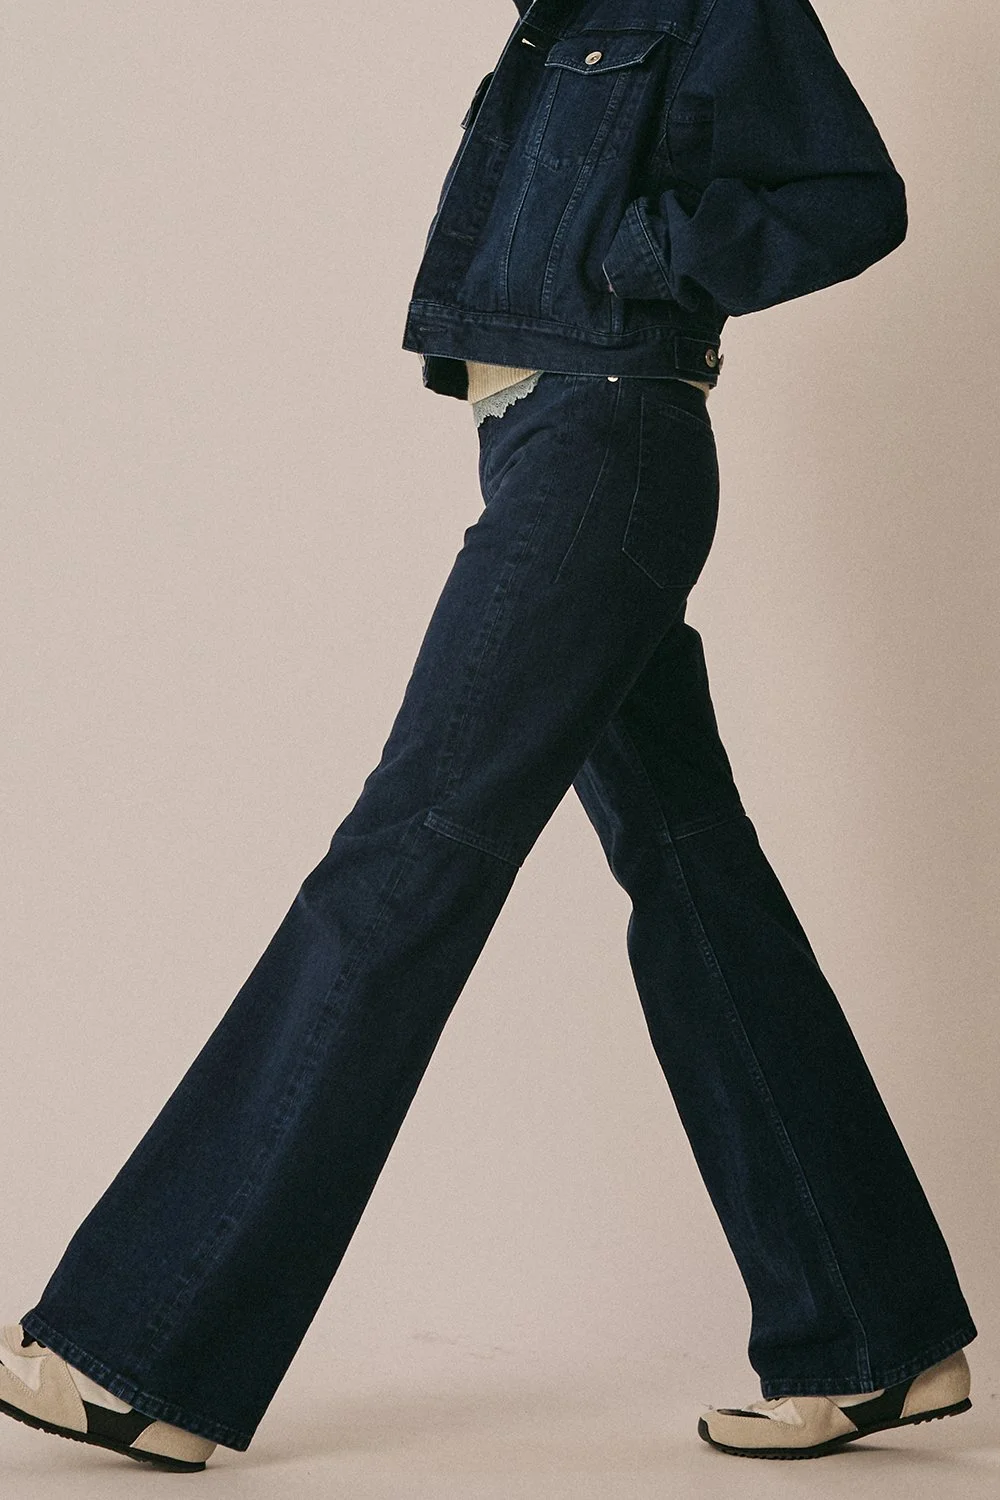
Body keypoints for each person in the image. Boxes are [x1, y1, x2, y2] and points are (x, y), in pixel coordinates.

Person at [1, 0, 978, 1472]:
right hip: (550, 452)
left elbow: (853, 196)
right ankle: (875, 1333)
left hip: (608, 444)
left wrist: (654, 252)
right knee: (696, 880)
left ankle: (144, 1348)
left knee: (409, 856)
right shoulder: (554, 19)